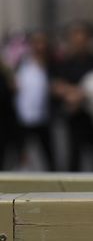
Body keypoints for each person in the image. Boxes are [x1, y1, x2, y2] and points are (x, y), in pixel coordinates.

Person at [52, 22, 93, 172]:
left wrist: (81, 93)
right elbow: (57, 85)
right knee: (74, 159)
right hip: (75, 118)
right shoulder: (65, 62)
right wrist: (70, 92)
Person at [14, 31, 56, 171]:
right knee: (21, 155)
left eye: (42, 42)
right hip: (24, 117)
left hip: (44, 117)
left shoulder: (52, 64)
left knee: (50, 157)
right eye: (36, 42)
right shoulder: (22, 63)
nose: (40, 46)